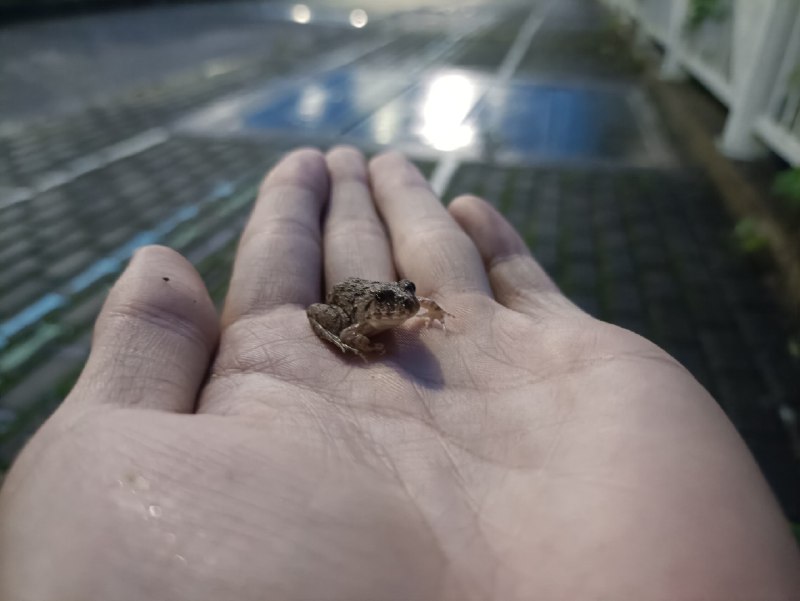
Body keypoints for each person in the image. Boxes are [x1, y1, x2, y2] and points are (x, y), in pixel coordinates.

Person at [0, 148, 798, 601]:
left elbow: (408, 301)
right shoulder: (363, 310)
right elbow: (338, 316)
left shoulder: (405, 306)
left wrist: (418, 311)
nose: (403, 304)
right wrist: (360, 337)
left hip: (357, 300)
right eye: (398, 298)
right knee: (341, 306)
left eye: (404, 298)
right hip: (332, 306)